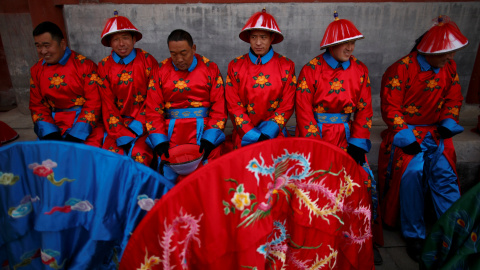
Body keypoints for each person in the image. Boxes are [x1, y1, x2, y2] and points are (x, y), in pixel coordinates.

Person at [378, 15, 468, 262]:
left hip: (437, 132)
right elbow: (390, 108)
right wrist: (406, 137)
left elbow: (453, 99)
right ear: (428, 51)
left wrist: (449, 122)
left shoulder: (449, 68)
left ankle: (453, 231)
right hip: (405, 133)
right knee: (412, 172)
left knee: (445, 173)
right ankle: (414, 235)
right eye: (445, 53)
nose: (450, 58)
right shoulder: (400, 69)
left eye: (452, 53)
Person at [295, 11, 381, 265]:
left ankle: (363, 240)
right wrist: (315, 143)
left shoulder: (360, 69)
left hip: (347, 136)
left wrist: (357, 142)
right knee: (315, 186)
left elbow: (365, 109)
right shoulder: (311, 69)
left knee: (363, 183)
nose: (350, 48)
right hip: (318, 137)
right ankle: (315, 242)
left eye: (353, 43)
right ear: (330, 45)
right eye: (345, 43)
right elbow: (303, 110)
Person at [146, 29, 227, 181]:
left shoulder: (210, 68)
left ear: (194, 48)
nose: (179, 59)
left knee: (207, 171)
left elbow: (219, 106)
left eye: (184, 53)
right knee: (168, 170)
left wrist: (210, 138)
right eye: (173, 54)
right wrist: (160, 141)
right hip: (171, 133)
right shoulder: (161, 70)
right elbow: (153, 109)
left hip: (203, 131)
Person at [225, 8, 296, 149]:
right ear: (249, 38)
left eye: (263, 37)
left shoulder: (287, 65)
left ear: (272, 38)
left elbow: (287, 105)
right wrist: (252, 134)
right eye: (254, 37)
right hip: (244, 134)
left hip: (276, 133)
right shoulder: (235, 65)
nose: (258, 43)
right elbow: (233, 105)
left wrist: (269, 132)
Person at [97, 11, 158, 166]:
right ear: (110, 42)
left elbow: (154, 98)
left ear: (133, 39)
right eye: (116, 39)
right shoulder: (104, 66)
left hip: (145, 124)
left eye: (125, 37)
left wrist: (136, 128)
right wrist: (120, 132)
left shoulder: (147, 60)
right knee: (110, 156)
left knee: (140, 154)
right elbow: (107, 104)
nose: (121, 43)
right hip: (116, 127)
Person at [29, 21, 103, 146]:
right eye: (38, 46)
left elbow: (94, 103)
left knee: (85, 158)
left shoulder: (85, 66)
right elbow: (37, 105)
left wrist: (76, 135)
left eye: (47, 45)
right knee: (45, 159)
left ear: (62, 44)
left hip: (84, 124)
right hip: (53, 124)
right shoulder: (36, 70)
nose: (43, 51)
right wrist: (50, 133)